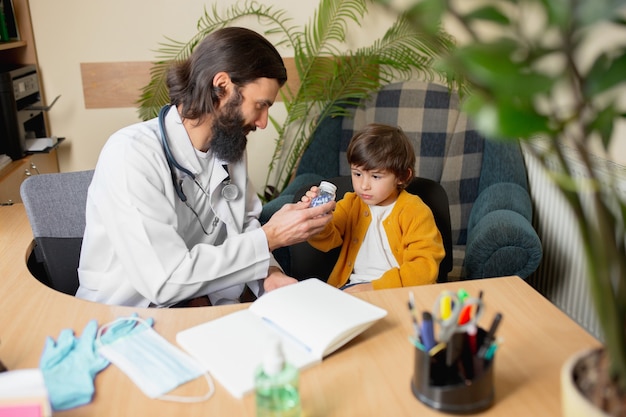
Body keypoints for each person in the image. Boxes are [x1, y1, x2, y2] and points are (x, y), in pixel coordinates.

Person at [76, 27, 335, 307]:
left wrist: (269, 274)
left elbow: (243, 223)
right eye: (260, 105)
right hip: (127, 316)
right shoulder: (131, 155)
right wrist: (270, 237)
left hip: (206, 307)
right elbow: (166, 280)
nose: (262, 122)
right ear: (221, 85)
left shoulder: (229, 145)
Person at [304, 123, 445, 293]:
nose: (364, 185)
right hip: (354, 288)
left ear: (402, 176)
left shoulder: (415, 211)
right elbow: (328, 239)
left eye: (376, 176)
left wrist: (373, 288)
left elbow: (424, 267)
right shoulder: (351, 203)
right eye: (357, 174)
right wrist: (318, 219)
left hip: (403, 291)